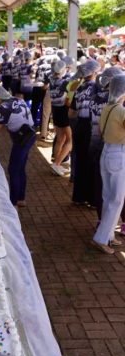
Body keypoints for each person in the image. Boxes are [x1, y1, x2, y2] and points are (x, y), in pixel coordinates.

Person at [0, 85, 36, 207]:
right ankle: (21, 198)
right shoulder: (17, 99)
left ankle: (14, 201)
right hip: (30, 134)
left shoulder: (3, 107)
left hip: (23, 139)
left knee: (13, 169)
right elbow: (10, 119)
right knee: (20, 168)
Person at [92, 74, 125, 254]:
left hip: (107, 152)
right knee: (116, 199)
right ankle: (101, 237)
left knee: (108, 197)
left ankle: (109, 235)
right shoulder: (120, 110)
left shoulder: (108, 107)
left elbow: (99, 129)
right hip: (118, 154)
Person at [88, 67, 123, 213]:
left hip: (96, 144)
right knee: (116, 191)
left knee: (101, 185)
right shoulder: (117, 103)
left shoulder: (96, 96)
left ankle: (100, 216)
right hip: (115, 148)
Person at [69, 59, 100, 204]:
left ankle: (78, 197)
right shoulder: (96, 88)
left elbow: (72, 112)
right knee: (92, 162)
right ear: (94, 72)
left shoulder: (79, 88)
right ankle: (92, 199)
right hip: (91, 126)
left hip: (79, 127)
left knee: (80, 161)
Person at [45, 60, 72, 176]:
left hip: (55, 110)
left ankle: (57, 164)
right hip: (63, 111)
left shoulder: (51, 78)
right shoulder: (65, 82)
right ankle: (57, 163)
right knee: (71, 140)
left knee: (60, 138)